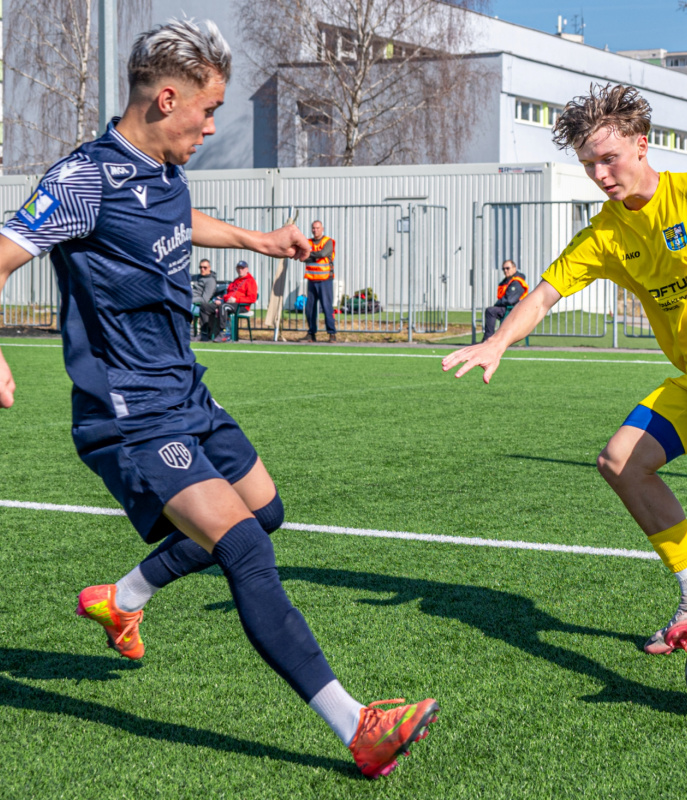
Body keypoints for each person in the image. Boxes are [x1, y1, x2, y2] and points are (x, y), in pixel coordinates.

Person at [0, 18, 437, 778]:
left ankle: (124, 596)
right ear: (167, 97)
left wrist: (260, 241)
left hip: (186, 393)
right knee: (244, 546)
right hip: (128, 414)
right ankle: (355, 726)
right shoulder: (83, 180)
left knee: (264, 509)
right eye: (209, 110)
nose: (211, 126)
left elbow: (174, 225)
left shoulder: (164, 170)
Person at [443, 83, 687, 655]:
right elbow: (545, 293)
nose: (601, 174)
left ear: (642, 145)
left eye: (609, 158)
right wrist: (498, 341)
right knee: (620, 461)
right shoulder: (605, 234)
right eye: (589, 164)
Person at [299, 220, 337, 343]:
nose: (315, 230)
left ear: (322, 228)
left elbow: (323, 253)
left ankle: (332, 334)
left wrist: (310, 254)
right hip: (312, 279)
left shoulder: (328, 241)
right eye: (313, 228)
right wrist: (311, 255)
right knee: (310, 308)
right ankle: (311, 334)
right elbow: (302, 257)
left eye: (318, 228)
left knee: (327, 307)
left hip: (325, 279)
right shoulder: (307, 242)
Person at [482, 259, 529, 342]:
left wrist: (498, 303)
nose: (505, 271)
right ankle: (490, 338)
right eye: (503, 269)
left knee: (490, 311)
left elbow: (510, 300)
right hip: (506, 307)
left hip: (514, 309)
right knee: (492, 310)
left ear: (514, 268)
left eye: (507, 268)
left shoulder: (517, 282)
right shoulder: (506, 281)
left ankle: (487, 339)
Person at [213, 259, 257, 342]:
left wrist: (237, 300)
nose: (240, 270)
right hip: (230, 304)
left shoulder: (250, 281)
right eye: (238, 268)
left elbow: (252, 299)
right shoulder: (235, 281)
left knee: (223, 307)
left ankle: (224, 333)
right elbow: (229, 294)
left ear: (247, 269)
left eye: (242, 268)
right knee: (206, 306)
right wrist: (223, 299)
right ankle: (206, 333)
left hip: (242, 306)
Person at [192, 258, 217, 341]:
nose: (202, 269)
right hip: (188, 301)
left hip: (197, 306)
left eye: (205, 267)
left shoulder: (210, 281)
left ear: (209, 268)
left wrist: (189, 299)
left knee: (180, 309)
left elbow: (204, 299)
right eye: (200, 267)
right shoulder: (195, 277)